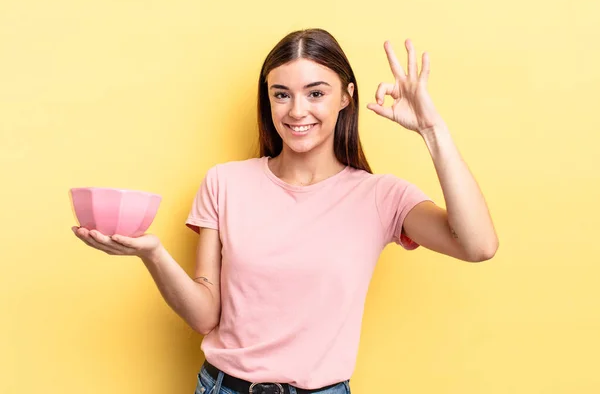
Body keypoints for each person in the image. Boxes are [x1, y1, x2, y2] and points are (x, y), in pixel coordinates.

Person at [72, 28, 498, 394]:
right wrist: (152, 253)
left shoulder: (380, 196)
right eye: (282, 95)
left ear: (346, 97)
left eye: (316, 93)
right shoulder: (225, 182)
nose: (297, 111)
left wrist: (431, 130)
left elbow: (478, 246)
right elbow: (205, 317)